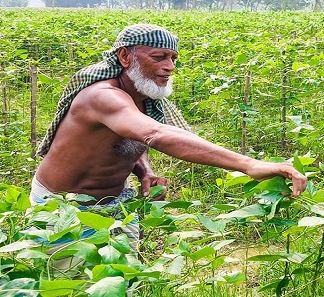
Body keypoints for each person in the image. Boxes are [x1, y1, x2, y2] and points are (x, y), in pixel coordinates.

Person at [31, 23, 308, 245]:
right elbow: (154, 133)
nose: (170, 67)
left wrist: (144, 172)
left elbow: (130, 139)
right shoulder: (102, 97)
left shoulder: (143, 97)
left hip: (115, 204)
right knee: (69, 284)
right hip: (63, 209)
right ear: (125, 56)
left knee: (119, 283)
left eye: (173, 58)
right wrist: (250, 165)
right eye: (159, 57)